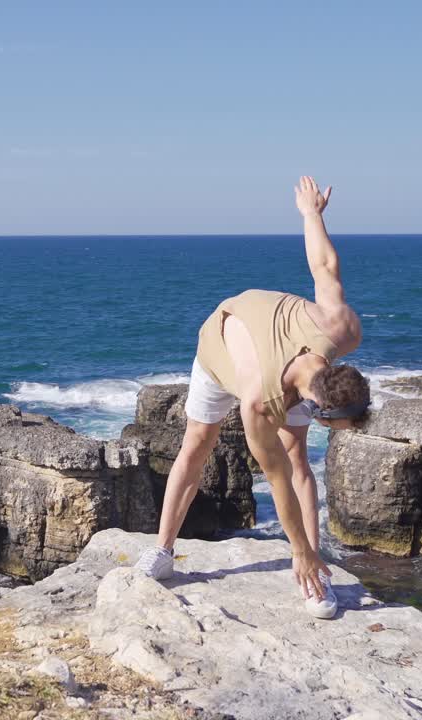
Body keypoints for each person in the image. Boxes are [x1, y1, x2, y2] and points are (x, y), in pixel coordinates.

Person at [134, 176, 371, 619]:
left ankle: (317, 573)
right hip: (220, 350)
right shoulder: (259, 402)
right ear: (317, 408)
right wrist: (294, 550)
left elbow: (325, 266)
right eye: (335, 427)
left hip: (275, 346)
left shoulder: (340, 329)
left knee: (297, 454)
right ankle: (164, 550)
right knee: (198, 444)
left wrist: (311, 215)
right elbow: (275, 479)